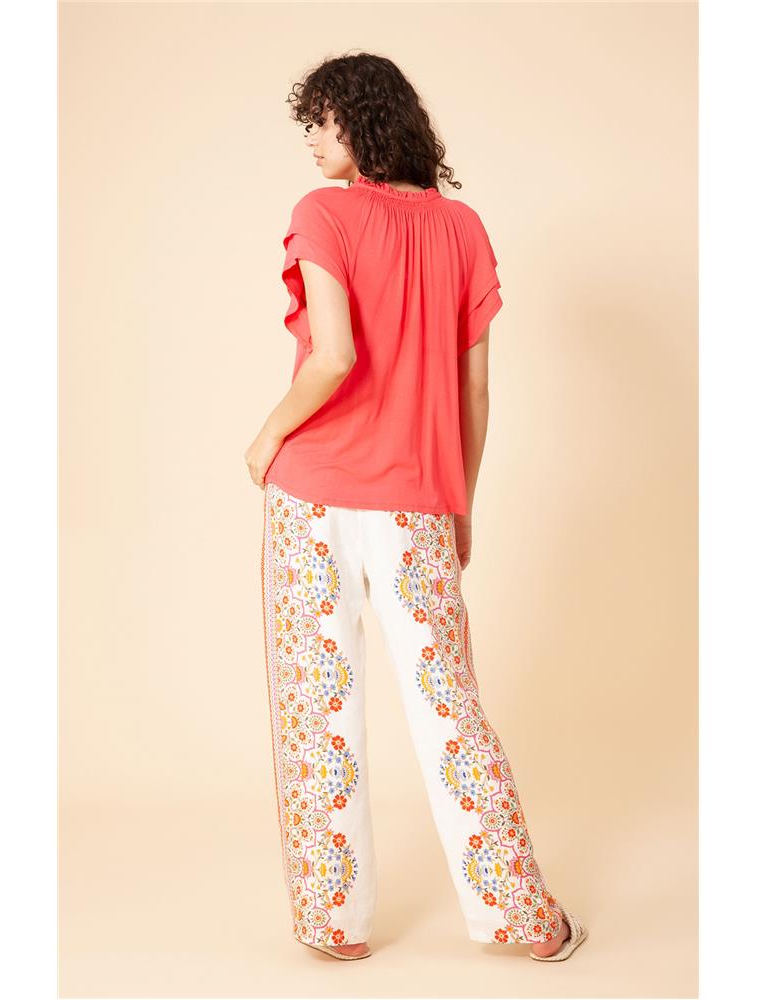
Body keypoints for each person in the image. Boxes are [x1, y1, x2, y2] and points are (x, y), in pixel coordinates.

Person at [245, 52, 587, 963]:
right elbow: (475, 393)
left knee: (316, 703)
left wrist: (266, 437)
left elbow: (333, 357)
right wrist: (457, 501)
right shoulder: (463, 229)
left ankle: (334, 924)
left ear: (362, 120)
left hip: (311, 493)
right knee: (450, 706)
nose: (312, 138)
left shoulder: (322, 214)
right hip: (417, 503)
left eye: (323, 119)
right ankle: (526, 919)